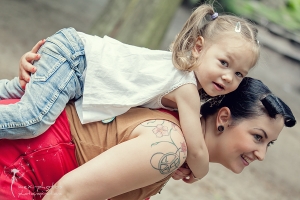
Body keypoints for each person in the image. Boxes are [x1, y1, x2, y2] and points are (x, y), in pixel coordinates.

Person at [0, 3, 260, 180]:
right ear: (198, 47)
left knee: (16, 94)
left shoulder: (179, 77)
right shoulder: (186, 88)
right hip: (77, 60)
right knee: (32, 120)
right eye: (224, 63)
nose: (228, 77)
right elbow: (198, 151)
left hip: (76, 66)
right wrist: (198, 172)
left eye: (239, 73)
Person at [0, 77, 296, 200]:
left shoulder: (175, 131)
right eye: (258, 137)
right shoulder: (170, 145)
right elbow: (65, 194)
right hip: (14, 164)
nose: (261, 154)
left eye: (268, 143)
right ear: (223, 119)